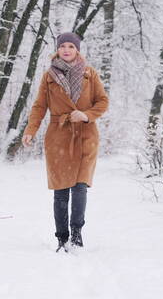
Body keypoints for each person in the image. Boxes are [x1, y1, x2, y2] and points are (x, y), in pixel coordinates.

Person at [21, 32, 109, 252]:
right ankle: (62, 238)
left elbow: (103, 101)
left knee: (80, 187)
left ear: (77, 49)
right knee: (61, 189)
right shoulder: (48, 76)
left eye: (71, 46)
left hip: (86, 135)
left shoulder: (91, 74)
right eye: (63, 47)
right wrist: (30, 130)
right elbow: (39, 106)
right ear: (58, 50)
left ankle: (77, 234)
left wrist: (86, 114)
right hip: (58, 136)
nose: (67, 50)